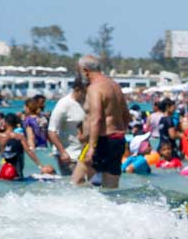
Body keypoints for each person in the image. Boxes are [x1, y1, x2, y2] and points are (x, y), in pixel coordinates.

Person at [72, 54, 131, 188]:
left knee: (76, 182)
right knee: (111, 188)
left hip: (101, 140)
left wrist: (92, 147)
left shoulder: (94, 88)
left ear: (85, 71)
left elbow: (97, 118)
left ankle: (88, 202)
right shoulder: (115, 86)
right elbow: (126, 116)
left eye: (79, 71)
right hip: (118, 140)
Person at [0, 112, 53, 176]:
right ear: (15, 124)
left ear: (5, 123)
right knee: (17, 177)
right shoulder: (19, 136)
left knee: (5, 178)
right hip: (16, 167)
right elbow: (29, 151)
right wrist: (40, 165)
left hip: (4, 166)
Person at [47, 76, 87, 175]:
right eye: (85, 92)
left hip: (84, 153)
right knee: (74, 181)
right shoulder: (64, 104)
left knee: (88, 182)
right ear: (77, 90)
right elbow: (51, 131)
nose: (88, 94)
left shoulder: (87, 102)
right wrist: (62, 152)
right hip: (69, 155)